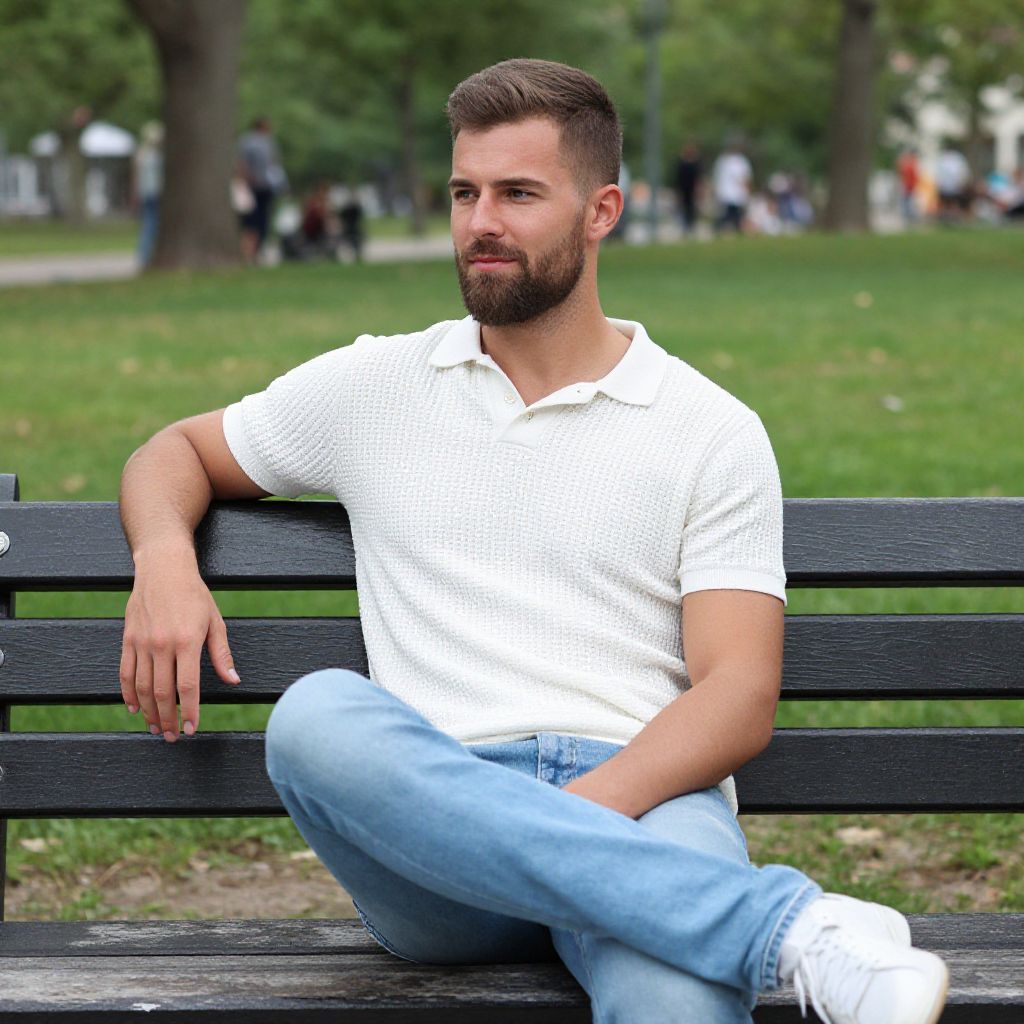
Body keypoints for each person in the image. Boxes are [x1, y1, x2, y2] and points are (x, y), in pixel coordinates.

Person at [118, 59, 949, 1024]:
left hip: (648, 799)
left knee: (674, 1000)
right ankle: (788, 936)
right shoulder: (376, 386)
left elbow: (737, 693)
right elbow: (172, 451)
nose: (481, 223)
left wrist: (565, 827)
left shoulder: (709, 429)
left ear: (602, 211)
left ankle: (716, 921)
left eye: (518, 193)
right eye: (466, 192)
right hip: (439, 845)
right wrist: (165, 563)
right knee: (315, 722)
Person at [237, 116, 286, 263]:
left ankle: (255, 252)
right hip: (254, 186)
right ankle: (249, 252)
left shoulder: (268, 142)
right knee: (253, 221)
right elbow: (242, 163)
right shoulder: (249, 142)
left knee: (261, 220)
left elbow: (274, 165)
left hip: (265, 186)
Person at [132, 121, 163, 267]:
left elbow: (136, 177)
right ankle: (145, 256)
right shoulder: (156, 155)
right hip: (155, 193)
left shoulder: (142, 153)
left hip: (146, 193)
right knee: (151, 225)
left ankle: (145, 255)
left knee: (149, 224)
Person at [712, 138, 752, 235]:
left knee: (736, 218)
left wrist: (746, 192)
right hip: (725, 195)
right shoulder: (723, 161)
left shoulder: (741, 161)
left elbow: (745, 179)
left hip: (737, 195)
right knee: (726, 218)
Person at [674, 141, 703, 235]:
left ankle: (691, 227)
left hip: (692, 190)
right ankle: (685, 227)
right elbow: (678, 178)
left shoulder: (696, 164)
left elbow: (698, 178)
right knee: (684, 208)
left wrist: (698, 190)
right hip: (684, 190)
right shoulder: (681, 163)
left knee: (692, 209)